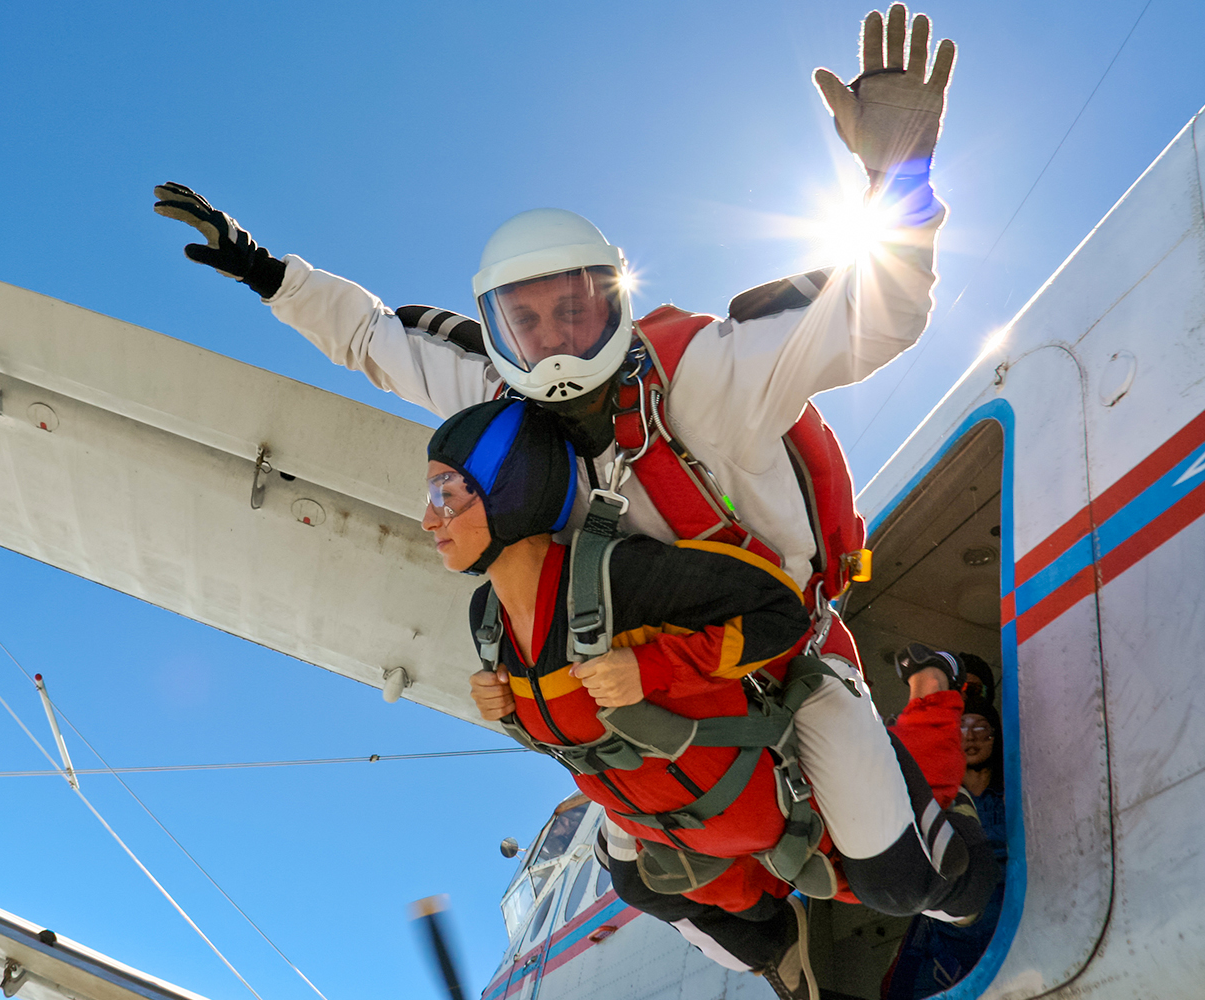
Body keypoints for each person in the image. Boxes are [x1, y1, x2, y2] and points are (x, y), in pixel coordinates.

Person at [155, 5, 963, 930]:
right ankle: (764, 925)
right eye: (524, 321)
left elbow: (878, 315)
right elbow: (375, 341)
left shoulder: (705, 377)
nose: (550, 338)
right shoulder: (506, 400)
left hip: (783, 649)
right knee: (637, 876)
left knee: (901, 883)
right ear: (498, 328)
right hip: (642, 663)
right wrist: (267, 273)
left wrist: (899, 178)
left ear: (613, 299)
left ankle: (935, 796)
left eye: (571, 310)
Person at [425, 398, 998, 1000]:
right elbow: (574, 727)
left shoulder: (618, 577)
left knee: (913, 886)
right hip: (674, 816)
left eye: (445, 493)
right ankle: (779, 947)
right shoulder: (485, 620)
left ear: (510, 489)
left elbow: (781, 615)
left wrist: (651, 668)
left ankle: (936, 703)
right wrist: (506, 706)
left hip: (759, 772)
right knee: (636, 883)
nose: (428, 520)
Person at [884, 686, 1008, 998]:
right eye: (962, 728)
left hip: (1009, 916)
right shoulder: (935, 803)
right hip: (949, 926)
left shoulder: (1012, 800)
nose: (972, 737)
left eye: (981, 729)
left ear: (995, 738)